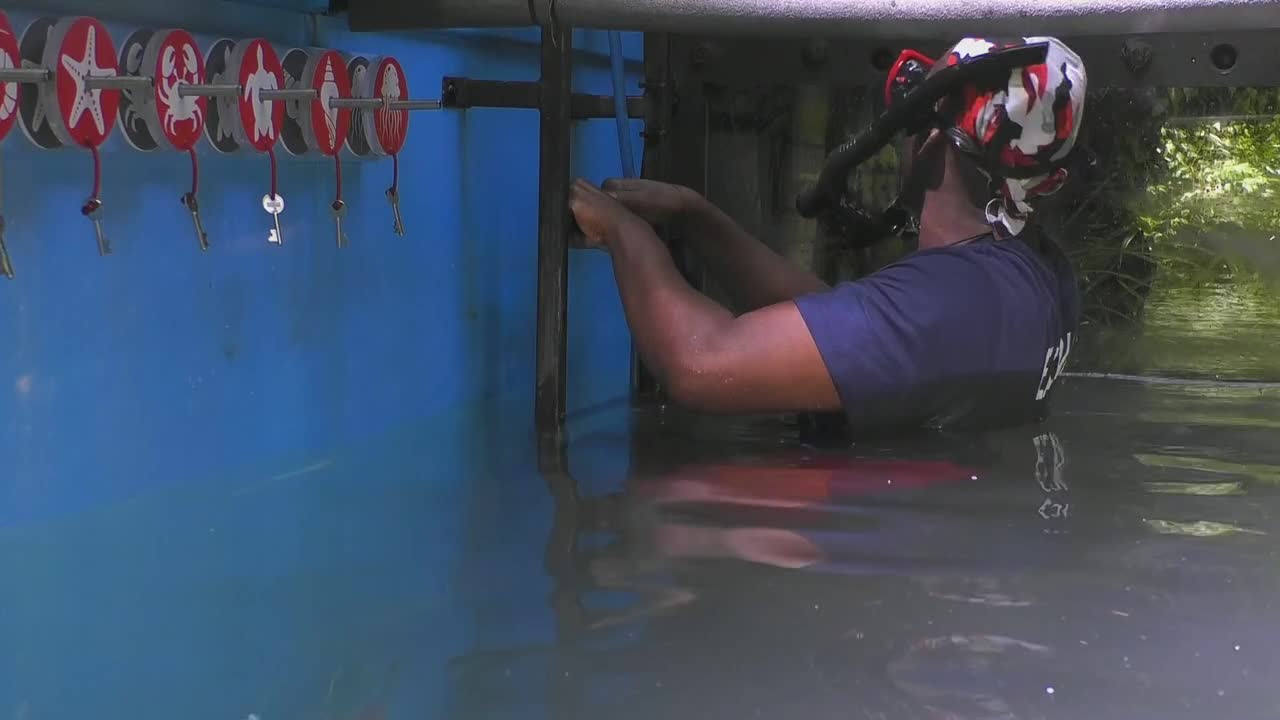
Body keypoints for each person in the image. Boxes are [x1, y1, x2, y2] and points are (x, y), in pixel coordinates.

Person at [569, 36, 1087, 433]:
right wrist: (696, 216)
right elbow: (843, 332)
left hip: (880, 536)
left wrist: (622, 231)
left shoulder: (945, 304)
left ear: (931, 144)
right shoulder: (1039, 271)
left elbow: (698, 364)